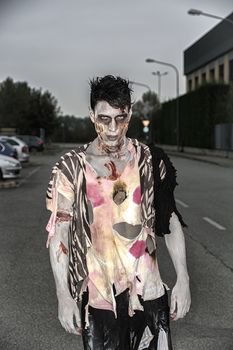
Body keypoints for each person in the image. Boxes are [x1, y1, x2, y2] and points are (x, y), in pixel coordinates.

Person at [46, 75, 191, 350]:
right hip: (100, 300)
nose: (113, 128)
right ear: (91, 116)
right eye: (104, 118)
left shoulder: (149, 160)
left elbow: (169, 221)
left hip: (149, 293)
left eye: (120, 118)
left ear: (130, 113)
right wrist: (63, 296)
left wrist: (183, 279)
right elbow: (59, 233)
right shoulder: (71, 169)